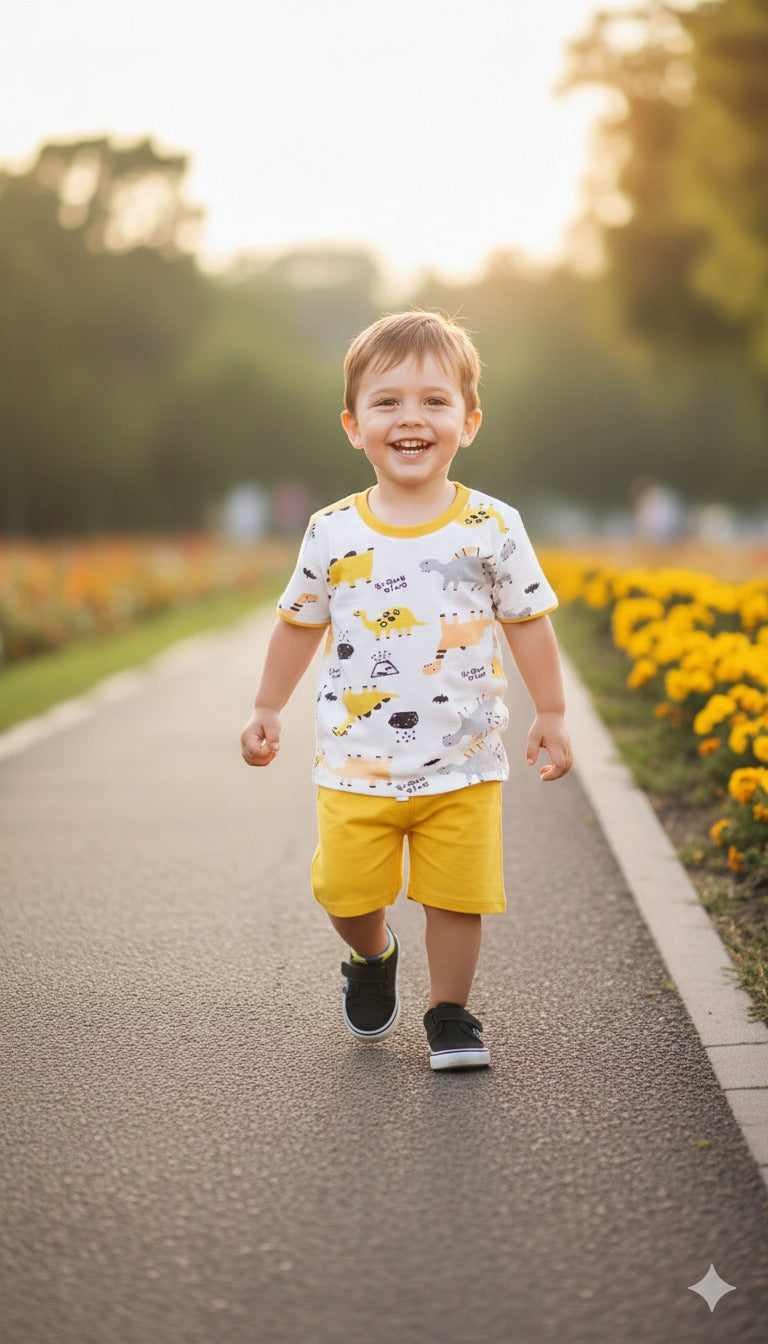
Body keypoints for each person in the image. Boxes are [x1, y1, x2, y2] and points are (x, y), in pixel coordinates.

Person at [241, 310, 572, 1070]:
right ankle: (371, 955)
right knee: (346, 894)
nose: (411, 418)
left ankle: (450, 1013)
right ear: (354, 426)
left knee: (457, 897)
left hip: (465, 760)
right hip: (356, 762)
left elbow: (528, 621)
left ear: (469, 421)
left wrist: (550, 711)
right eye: (388, 403)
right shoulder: (332, 532)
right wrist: (267, 705)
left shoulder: (492, 525)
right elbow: (298, 624)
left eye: (434, 401)